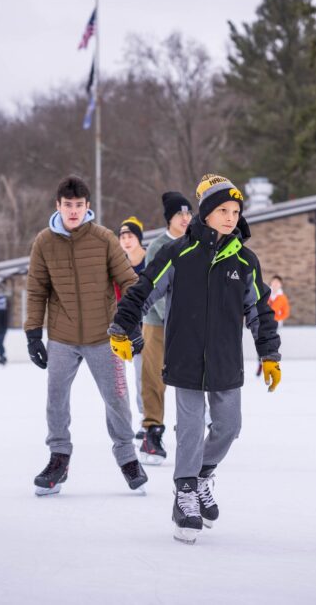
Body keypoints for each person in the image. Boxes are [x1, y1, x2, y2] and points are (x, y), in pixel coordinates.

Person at [108, 173, 282, 545]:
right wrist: (122, 326)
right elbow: (144, 290)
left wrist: (269, 353)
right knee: (188, 432)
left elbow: (260, 311)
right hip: (185, 357)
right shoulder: (178, 254)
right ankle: (184, 494)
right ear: (205, 214)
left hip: (225, 361)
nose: (231, 217)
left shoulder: (246, 261)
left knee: (229, 426)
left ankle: (201, 475)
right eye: (222, 210)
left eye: (236, 210)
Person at [24, 175, 148, 496]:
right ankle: (59, 458)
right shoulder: (44, 242)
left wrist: (132, 326)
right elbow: (36, 291)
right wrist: (33, 334)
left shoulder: (104, 239)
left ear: (87, 206)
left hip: (104, 335)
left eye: (79, 205)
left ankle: (127, 457)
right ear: (58, 206)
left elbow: (130, 283)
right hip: (62, 337)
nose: (74, 211)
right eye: (68, 205)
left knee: (117, 398)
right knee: (56, 400)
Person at [138, 193, 193, 463]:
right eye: (179, 215)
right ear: (169, 219)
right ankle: (152, 430)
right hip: (158, 324)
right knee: (154, 378)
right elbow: (153, 289)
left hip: (190, 325)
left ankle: (192, 428)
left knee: (191, 379)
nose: (185, 219)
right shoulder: (157, 246)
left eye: (188, 214)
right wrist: (173, 320)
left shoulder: (196, 243)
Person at [116, 216, 149, 440]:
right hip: (134, 328)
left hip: (157, 323)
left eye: (130, 236)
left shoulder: (152, 259)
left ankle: (201, 415)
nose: (126, 240)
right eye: (123, 237)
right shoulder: (119, 265)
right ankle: (148, 421)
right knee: (141, 376)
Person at [256, 275, 290, 374]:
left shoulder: (282, 298)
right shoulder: (266, 294)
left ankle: (271, 364)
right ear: (271, 283)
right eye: (274, 282)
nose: (275, 284)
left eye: (277, 282)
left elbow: (285, 312)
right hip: (263, 322)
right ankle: (260, 364)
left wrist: (277, 318)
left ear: (280, 285)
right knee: (261, 343)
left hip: (274, 324)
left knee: (271, 343)